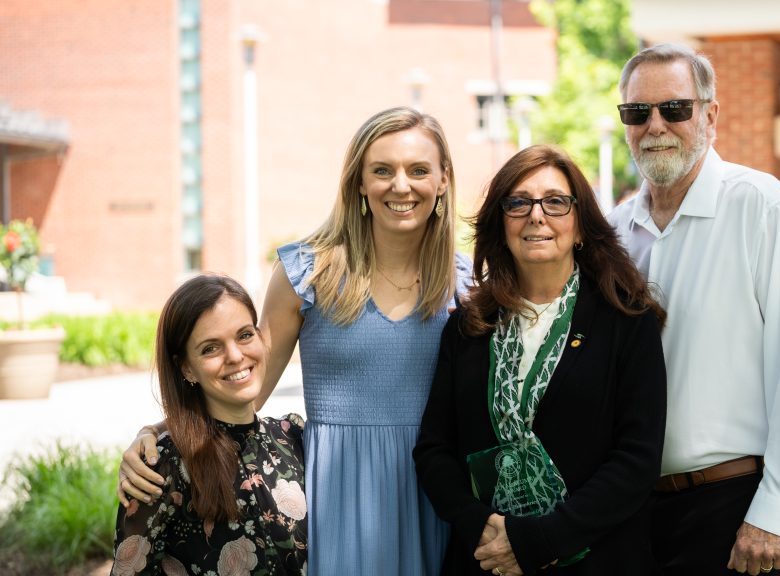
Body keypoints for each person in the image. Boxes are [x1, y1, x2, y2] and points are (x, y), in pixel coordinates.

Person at [118, 107, 472, 575]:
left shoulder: (467, 285)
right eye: (382, 170)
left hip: (437, 494)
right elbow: (244, 385)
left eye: (419, 170)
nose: (401, 186)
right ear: (359, 182)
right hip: (339, 502)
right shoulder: (309, 273)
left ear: (443, 180)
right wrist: (157, 433)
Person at [607, 44, 780, 576]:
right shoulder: (614, 232)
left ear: (710, 115)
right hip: (636, 515)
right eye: (637, 112)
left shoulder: (762, 207)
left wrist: (775, 511)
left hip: (737, 509)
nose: (655, 125)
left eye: (674, 108)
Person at [414, 144, 668, 575]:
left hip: (595, 559)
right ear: (501, 224)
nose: (536, 215)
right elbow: (434, 449)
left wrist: (538, 542)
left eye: (555, 202)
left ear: (581, 225)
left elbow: (636, 461)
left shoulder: (626, 322)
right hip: (487, 559)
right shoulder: (468, 327)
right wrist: (480, 526)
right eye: (518, 202)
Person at [111, 273, 307, 575]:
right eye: (210, 348)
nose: (235, 356)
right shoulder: (162, 468)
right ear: (187, 368)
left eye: (245, 335)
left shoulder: (293, 438)